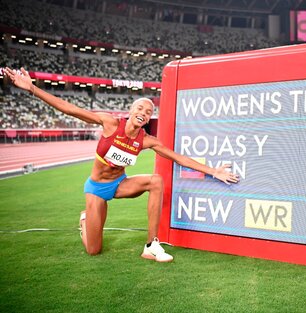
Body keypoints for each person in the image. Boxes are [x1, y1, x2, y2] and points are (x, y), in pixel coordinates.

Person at [5, 67, 240, 262]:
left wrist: (213, 171)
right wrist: (32, 88)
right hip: (97, 188)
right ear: (130, 111)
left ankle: (151, 245)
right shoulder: (110, 124)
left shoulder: (147, 140)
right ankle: (85, 219)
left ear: (149, 119)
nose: (144, 113)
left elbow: (179, 158)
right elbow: (70, 109)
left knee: (156, 181)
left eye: (148, 112)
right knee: (94, 250)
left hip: (120, 184)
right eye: (140, 108)